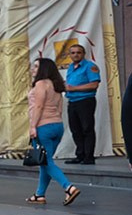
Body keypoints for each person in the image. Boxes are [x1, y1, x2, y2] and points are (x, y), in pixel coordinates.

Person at [27, 57, 78, 204]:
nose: (33, 69)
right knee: (45, 161)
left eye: (36, 66)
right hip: (57, 126)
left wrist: (32, 127)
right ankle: (39, 194)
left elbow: (38, 106)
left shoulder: (41, 84)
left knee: (47, 161)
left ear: (43, 69)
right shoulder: (56, 85)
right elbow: (60, 108)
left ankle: (69, 188)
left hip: (43, 127)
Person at [61, 41, 103, 165]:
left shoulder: (90, 66)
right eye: (73, 53)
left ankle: (89, 157)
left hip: (85, 101)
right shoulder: (70, 67)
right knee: (75, 129)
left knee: (87, 129)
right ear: (69, 55)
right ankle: (80, 155)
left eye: (78, 53)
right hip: (72, 101)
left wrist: (74, 88)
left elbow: (94, 84)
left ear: (84, 54)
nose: (76, 55)